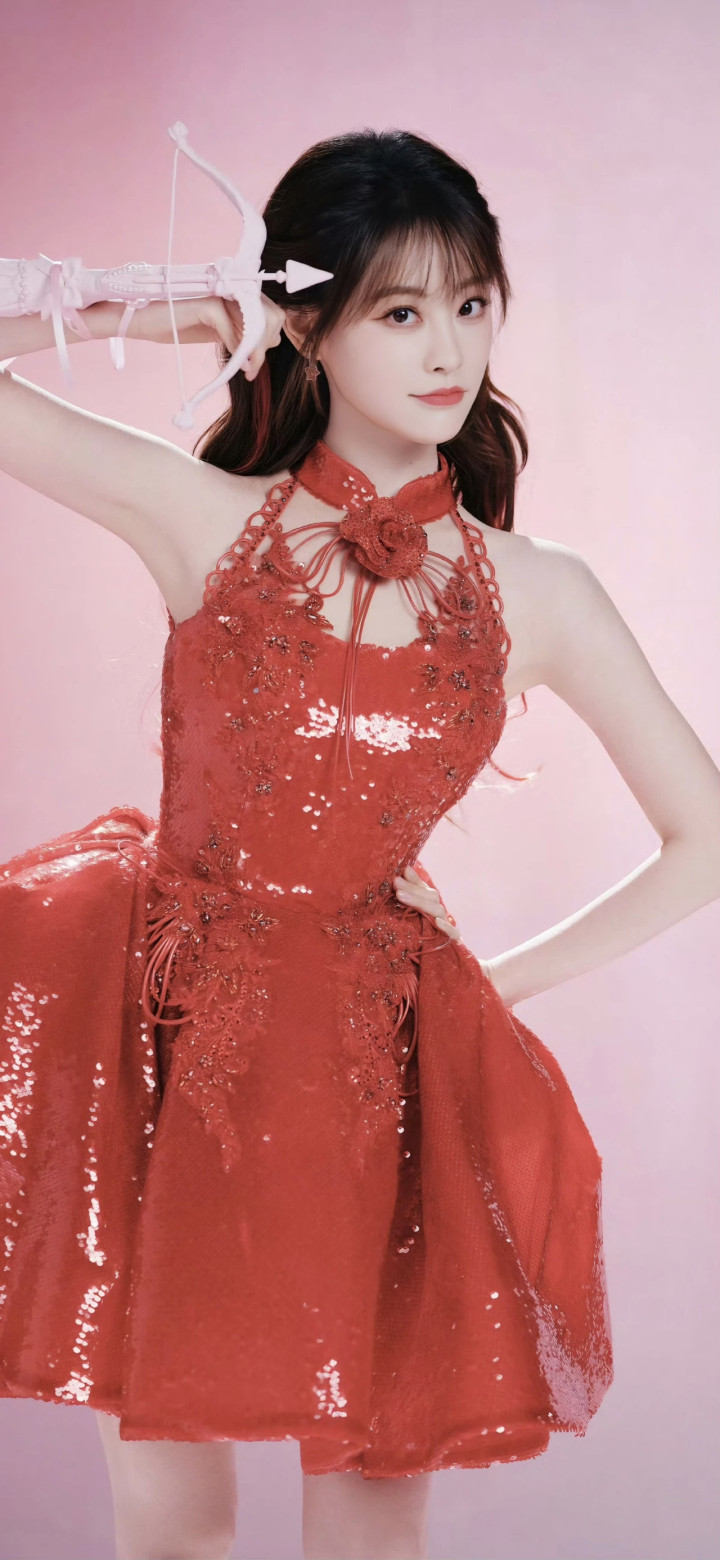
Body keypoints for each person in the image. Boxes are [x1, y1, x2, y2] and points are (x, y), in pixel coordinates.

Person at [1, 127, 719, 1560]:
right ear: (310, 324)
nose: (449, 349)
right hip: (167, 1040)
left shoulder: (540, 591)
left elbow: (706, 836)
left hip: (377, 1067)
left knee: (372, 1530)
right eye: (399, 310)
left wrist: (492, 984)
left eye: (471, 303)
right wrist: (179, 306)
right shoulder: (202, 518)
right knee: (174, 1525)